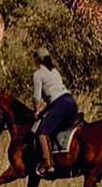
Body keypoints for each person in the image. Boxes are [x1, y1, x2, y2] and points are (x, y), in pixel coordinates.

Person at [31, 47, 78, 177]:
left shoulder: (38, 74)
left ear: (37, 60)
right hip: (71, 101)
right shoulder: (55, 71)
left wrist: (36, 111)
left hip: (60, 104)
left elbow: (36, 97)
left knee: (42, 133)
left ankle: (48, 164)